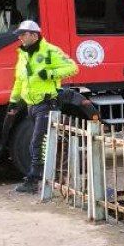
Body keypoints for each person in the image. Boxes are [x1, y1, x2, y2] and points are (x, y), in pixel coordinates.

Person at [8, 20, 78, 194]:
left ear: (34, 35)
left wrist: (50, 73)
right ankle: (53, 176)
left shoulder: (50, 51)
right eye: (19, 35)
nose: (20, 37)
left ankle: (34, 180)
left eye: (23, 34)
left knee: (36, 143)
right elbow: (19, 80)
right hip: (31, 106)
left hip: (46, 104)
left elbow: (72, 67)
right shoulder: (23, 55)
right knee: (41, 143)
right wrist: (14, 101)